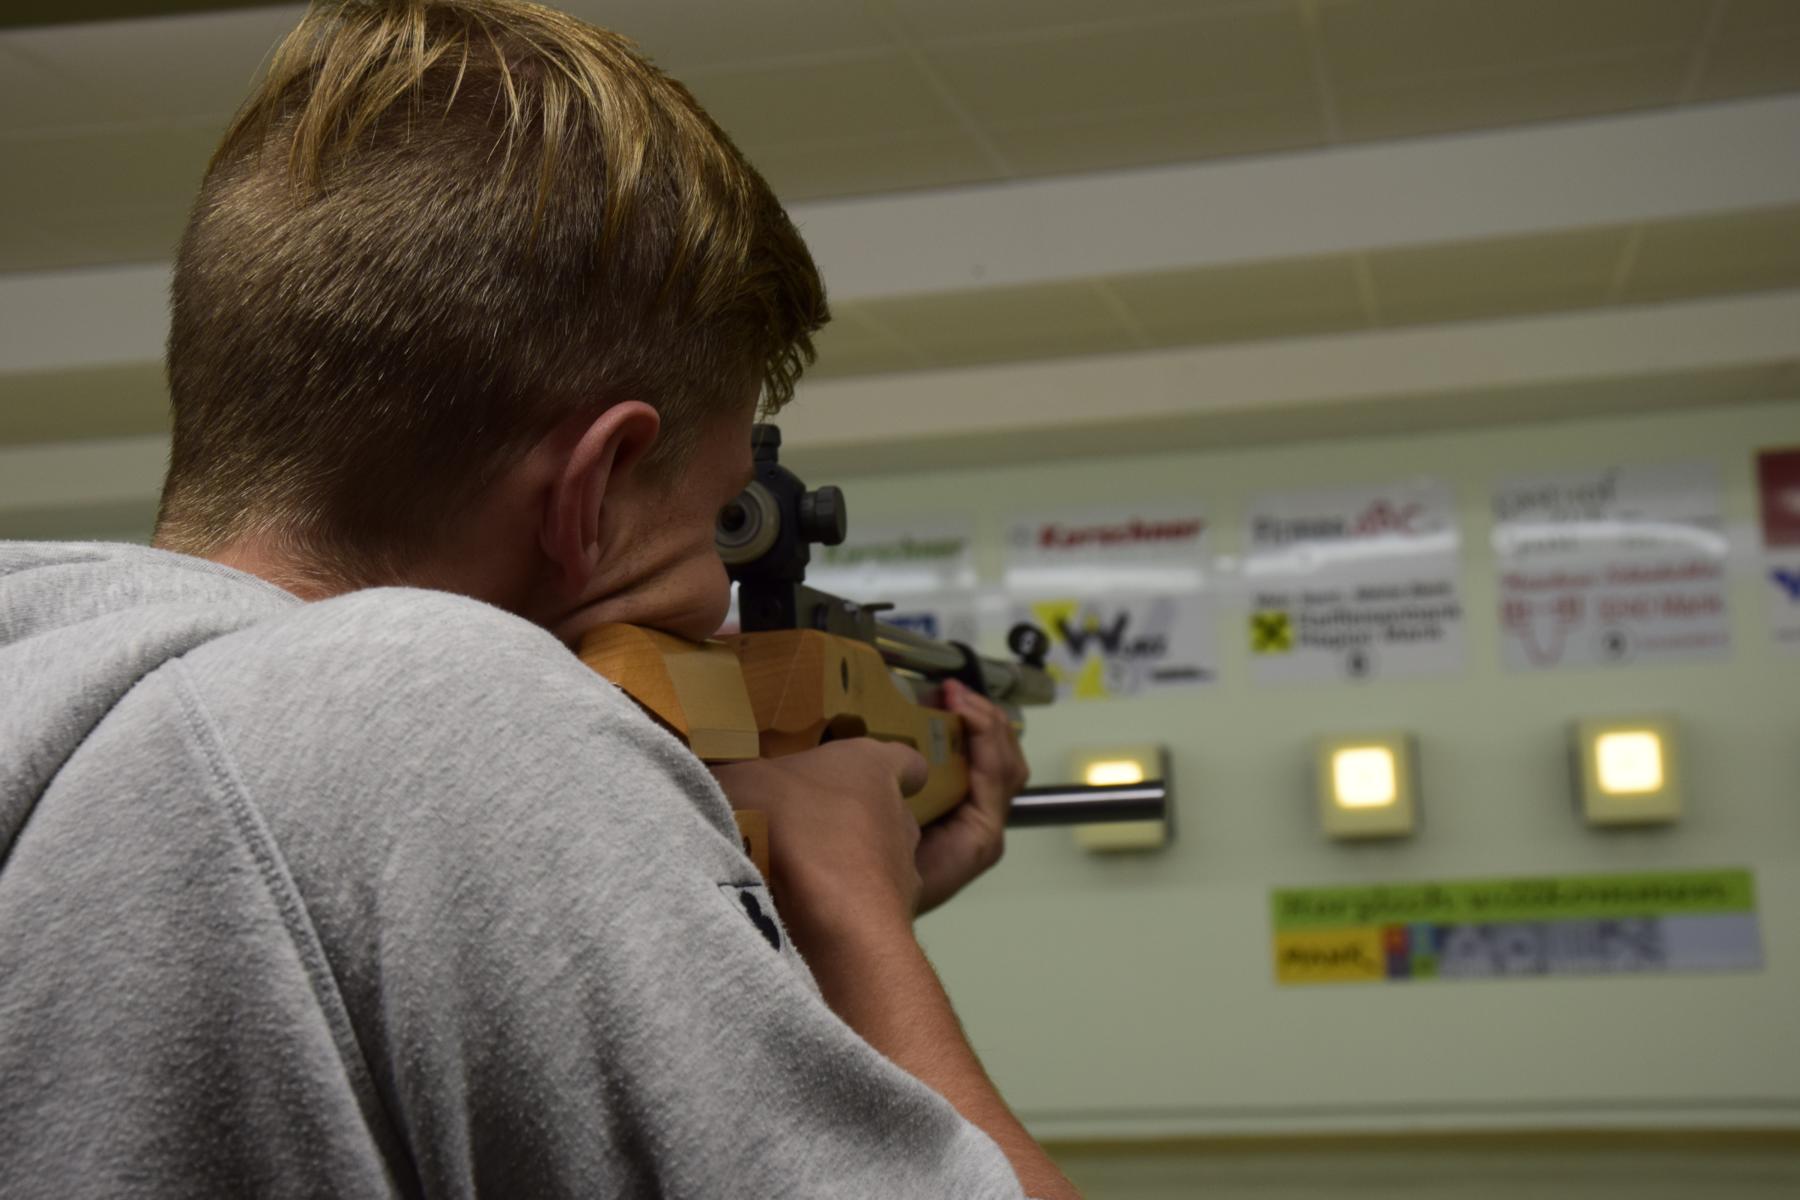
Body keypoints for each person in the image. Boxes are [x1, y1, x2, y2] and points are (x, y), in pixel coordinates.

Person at [0, 2, 1082, 1197]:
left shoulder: (54, 684)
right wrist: (854, 913)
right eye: (718, 517)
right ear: (596, 488)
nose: (717, 600)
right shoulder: (443, 707)